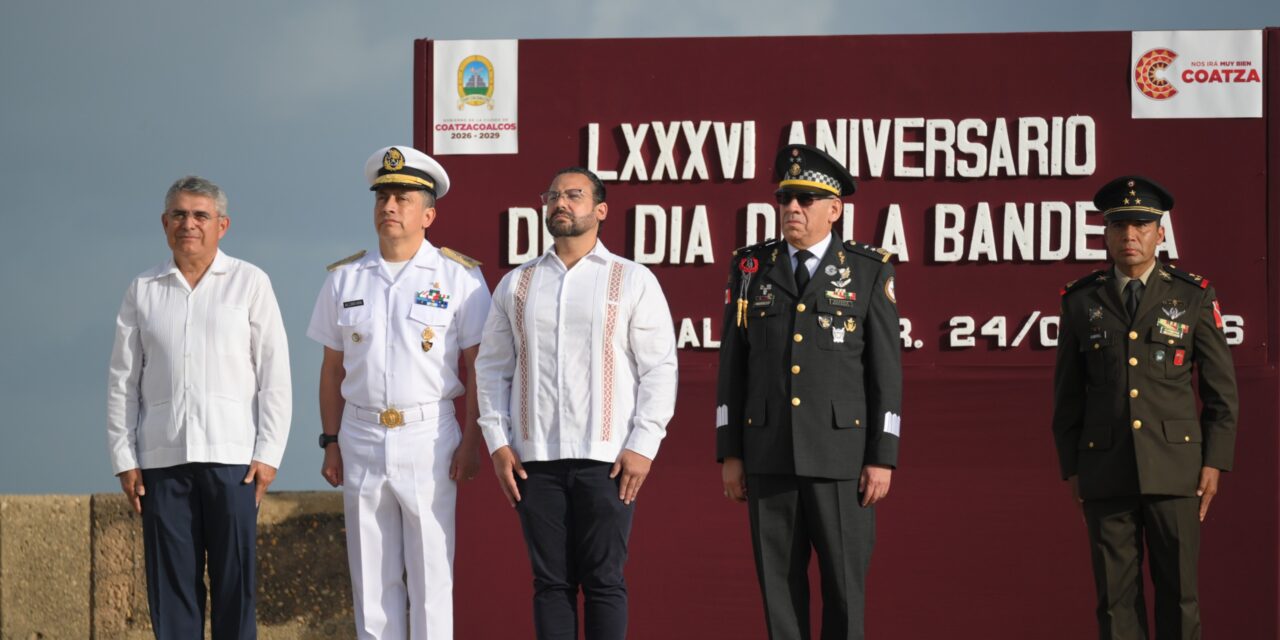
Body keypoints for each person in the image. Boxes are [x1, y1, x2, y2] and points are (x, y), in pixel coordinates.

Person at [475, 167, 678, 640]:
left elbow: (660, 369)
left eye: (574, 195)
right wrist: (498, 443)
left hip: (608, 460)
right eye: (553, 196)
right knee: (551, 584)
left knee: (605, 582)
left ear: (600, 210)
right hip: (535, 461)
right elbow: (491, 368)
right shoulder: (517, 284)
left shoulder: (632, 280)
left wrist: (643, 445)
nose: (561, 203)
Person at [715, 144, 901, 640]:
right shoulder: (751, 268)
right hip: (768, 454)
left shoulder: (867, 269)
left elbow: (886, 372)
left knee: (844, 592)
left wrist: (882, 456)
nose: (792, 208)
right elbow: (733, 366)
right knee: (779, 594)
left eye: (805, 199)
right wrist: (730, 451)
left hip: (841, 459)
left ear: (834, 209)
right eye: (785, 198)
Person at [307, 146, 490, 639]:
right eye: (383, 197)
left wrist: (472, 441)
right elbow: (331, 370)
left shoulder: (460, 278)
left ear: (428, 213)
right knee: (371, 576)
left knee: (432, 574)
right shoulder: (345, 278)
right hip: (361, 433)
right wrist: (330, 441)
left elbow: (479, 369)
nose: (389, 206)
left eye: (403, 198)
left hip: (428, 432)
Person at [1052, 175, 1238, 640]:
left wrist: (1214, 460)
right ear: (1105, 234)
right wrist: (1074, 468)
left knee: (1179, 596)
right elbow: (1067, 396)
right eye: (1119, 226)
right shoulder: (1081, 300)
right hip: (1105, 468)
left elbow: (1221, 392)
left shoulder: (1191, 296)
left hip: (1176, 470)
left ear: (1160, 232)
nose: (1129, 236)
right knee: (1115, 603)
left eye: (1140, 225)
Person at [106, 175, 291, 638]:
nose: (189, 224)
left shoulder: (250, 283)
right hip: (162, 463)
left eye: (200, 215)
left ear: (222, 225)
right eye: (179, 214)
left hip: (234, 463)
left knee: (236, 588)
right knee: (171, 594)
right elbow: (122, 382)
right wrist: (124, 459)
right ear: (164, 223)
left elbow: (274, 375)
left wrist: (268, 454)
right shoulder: (143, 289)